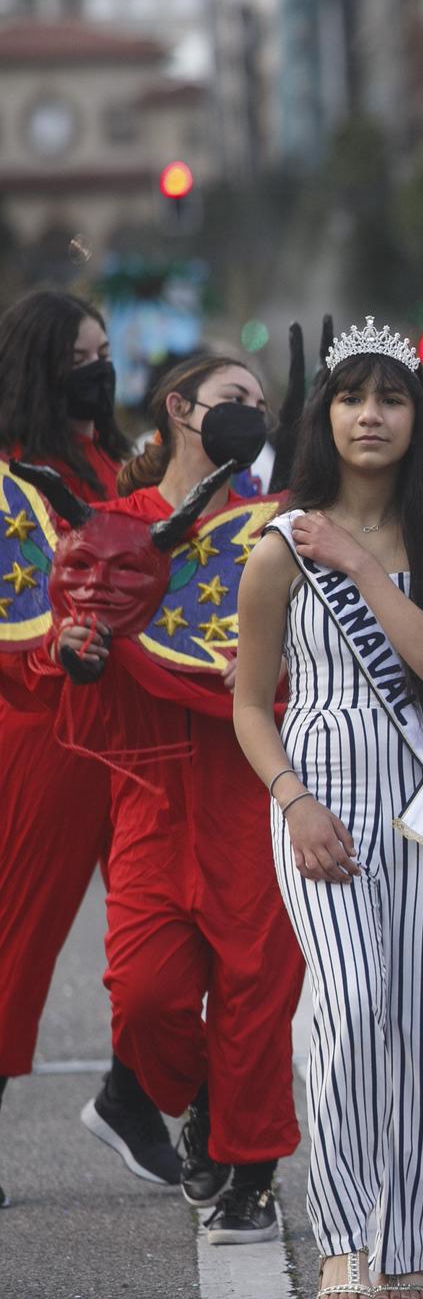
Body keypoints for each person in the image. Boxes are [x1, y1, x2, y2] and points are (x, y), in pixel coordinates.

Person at [234, 316, 423, 1298]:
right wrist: (292, 801)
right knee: (352, 1000)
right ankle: (343, 1236)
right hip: (320, 791)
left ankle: (413, 1255)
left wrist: (356, 560)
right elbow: (249, 703)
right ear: (324, 415)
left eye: (389, 398)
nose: (370, 416)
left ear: (415, 414)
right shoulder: (278, 549)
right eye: (351, 397)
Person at [41, 354, 305, 1245]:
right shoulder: (113, 523)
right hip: (150, 791)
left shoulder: (277, 532)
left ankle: (252, 1170)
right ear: (181, 408)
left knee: (259, 994)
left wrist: (281, 668)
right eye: (236, 401)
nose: (252, 416)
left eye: (263, 407)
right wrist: (69, 650)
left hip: (253, 788)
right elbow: (63, 640)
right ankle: (199, 1105)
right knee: (144, 996)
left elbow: (323, 646)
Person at [0, 291, 153, 1205]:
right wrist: (58, 653)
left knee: (168, 922)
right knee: (19, 940)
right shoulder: (12, 477)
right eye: (81, 356)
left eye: (105, 349)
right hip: (45, 734)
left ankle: (141, 1096)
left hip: (131, 727)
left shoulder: (102, 457)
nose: (101, 368)